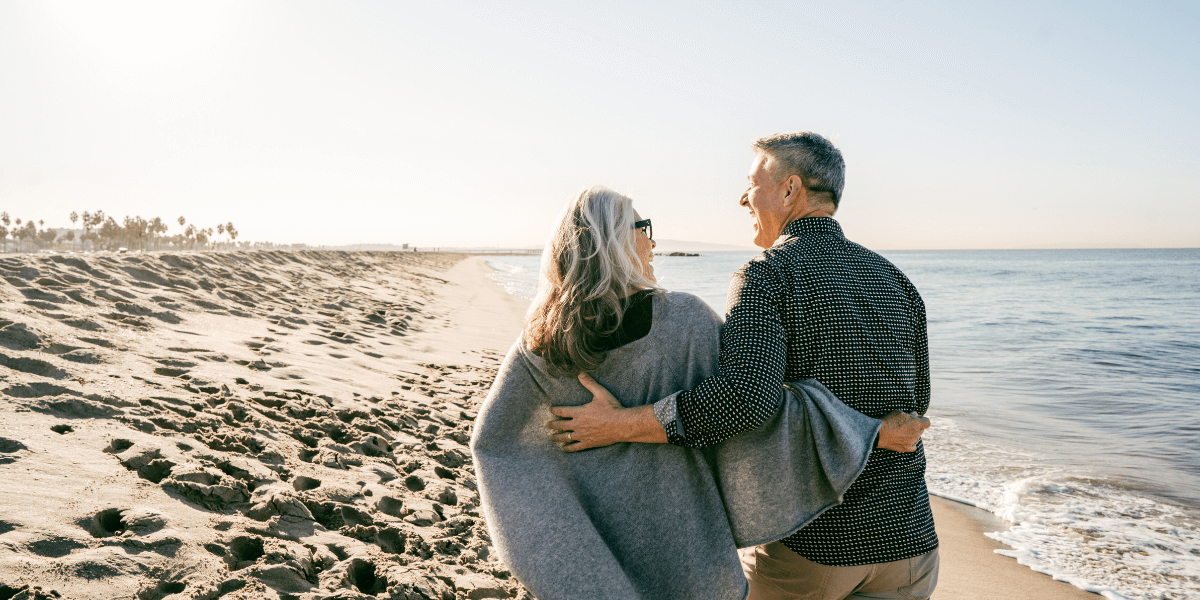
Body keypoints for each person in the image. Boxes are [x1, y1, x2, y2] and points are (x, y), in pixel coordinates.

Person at [550, 133, 937, 600]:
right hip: (910, 540)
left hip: (813, 546)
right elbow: (918, 401)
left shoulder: (768, 273)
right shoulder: (895, 279)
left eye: (752, 183)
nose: (742, 197)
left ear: (790, 189)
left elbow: (743, 400)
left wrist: (618, 426)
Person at [471, 186, 890, 600]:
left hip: (596, 540)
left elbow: (495, 445)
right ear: (613, 240)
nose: (652, 241)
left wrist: (557, 537)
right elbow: (752, 405)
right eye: (642, 227)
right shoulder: (684, 321)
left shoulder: (541, 340)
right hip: (687, 543)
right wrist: (865, 429)